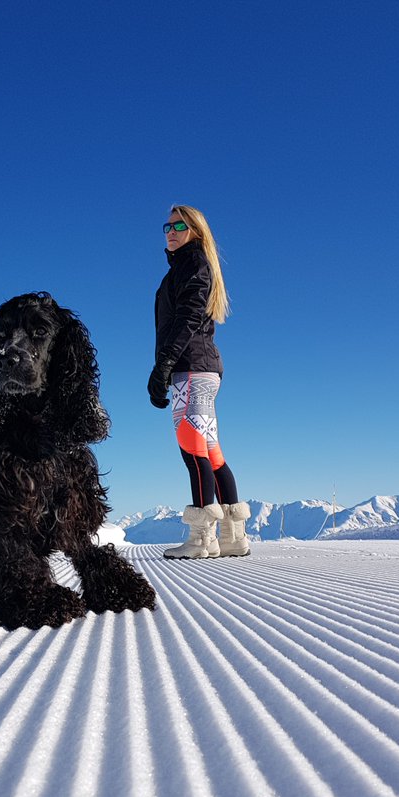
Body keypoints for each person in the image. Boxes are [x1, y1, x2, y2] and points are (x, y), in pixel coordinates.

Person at [147, 204, 250, 560]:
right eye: (167, 226)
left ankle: (202, 538)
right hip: (201, 368)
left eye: (180, 225)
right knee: (210, 451)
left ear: (196, 231)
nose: (171, 231)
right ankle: (233, 535)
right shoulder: (189, 268)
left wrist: (163, 366)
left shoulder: (192, 267)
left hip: (190, 368)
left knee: (192, 450)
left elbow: (187, 319)